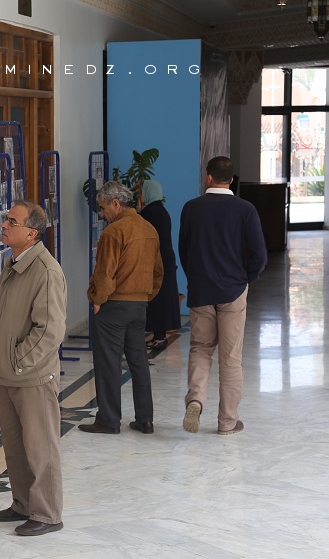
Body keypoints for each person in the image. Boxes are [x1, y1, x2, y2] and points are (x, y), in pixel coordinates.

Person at [0, 200, 66, 536]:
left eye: (12, 221)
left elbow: (50, 330)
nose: (4, 225)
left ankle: (47, 514)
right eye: (6, 219)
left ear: (30, 233)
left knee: (40, 447)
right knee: (15, 446)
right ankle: (22, 503)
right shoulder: (14, 263)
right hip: (7, 373)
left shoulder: (45, 271)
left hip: (30, 376)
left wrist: (18, 361)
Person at [179, 156, 267, 435]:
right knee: (231, 359)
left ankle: (195, 400)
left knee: (201, 349)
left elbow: (185, 249)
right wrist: (245, 279)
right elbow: (260, 255)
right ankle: (227, 422)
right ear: (232, 179)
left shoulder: (192, 208)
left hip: (201, 291)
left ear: (208, 177)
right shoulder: (246, 209)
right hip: (233, 291)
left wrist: (195, 277)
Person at [81, 181, 163, 435]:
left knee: (108, 363)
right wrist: (144, 296)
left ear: (116, 204)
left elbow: (105, 273)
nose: (102, 214)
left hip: (114, 307)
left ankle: (108, 419)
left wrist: (97, 300)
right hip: (139, 305)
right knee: (138, 362)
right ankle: (145, 419)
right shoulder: (149, 229)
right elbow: (158, 272)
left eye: (103, 208)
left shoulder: (114, 232)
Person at [137, 180, 181, 352]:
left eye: (142, 192)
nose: (140, 196)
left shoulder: (150, 212)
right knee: (163, 297)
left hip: (157, 260)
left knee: (158, 297)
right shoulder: (160, 210)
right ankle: (159, 336)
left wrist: (139, 212)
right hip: (165, 258)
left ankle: (159, 338)